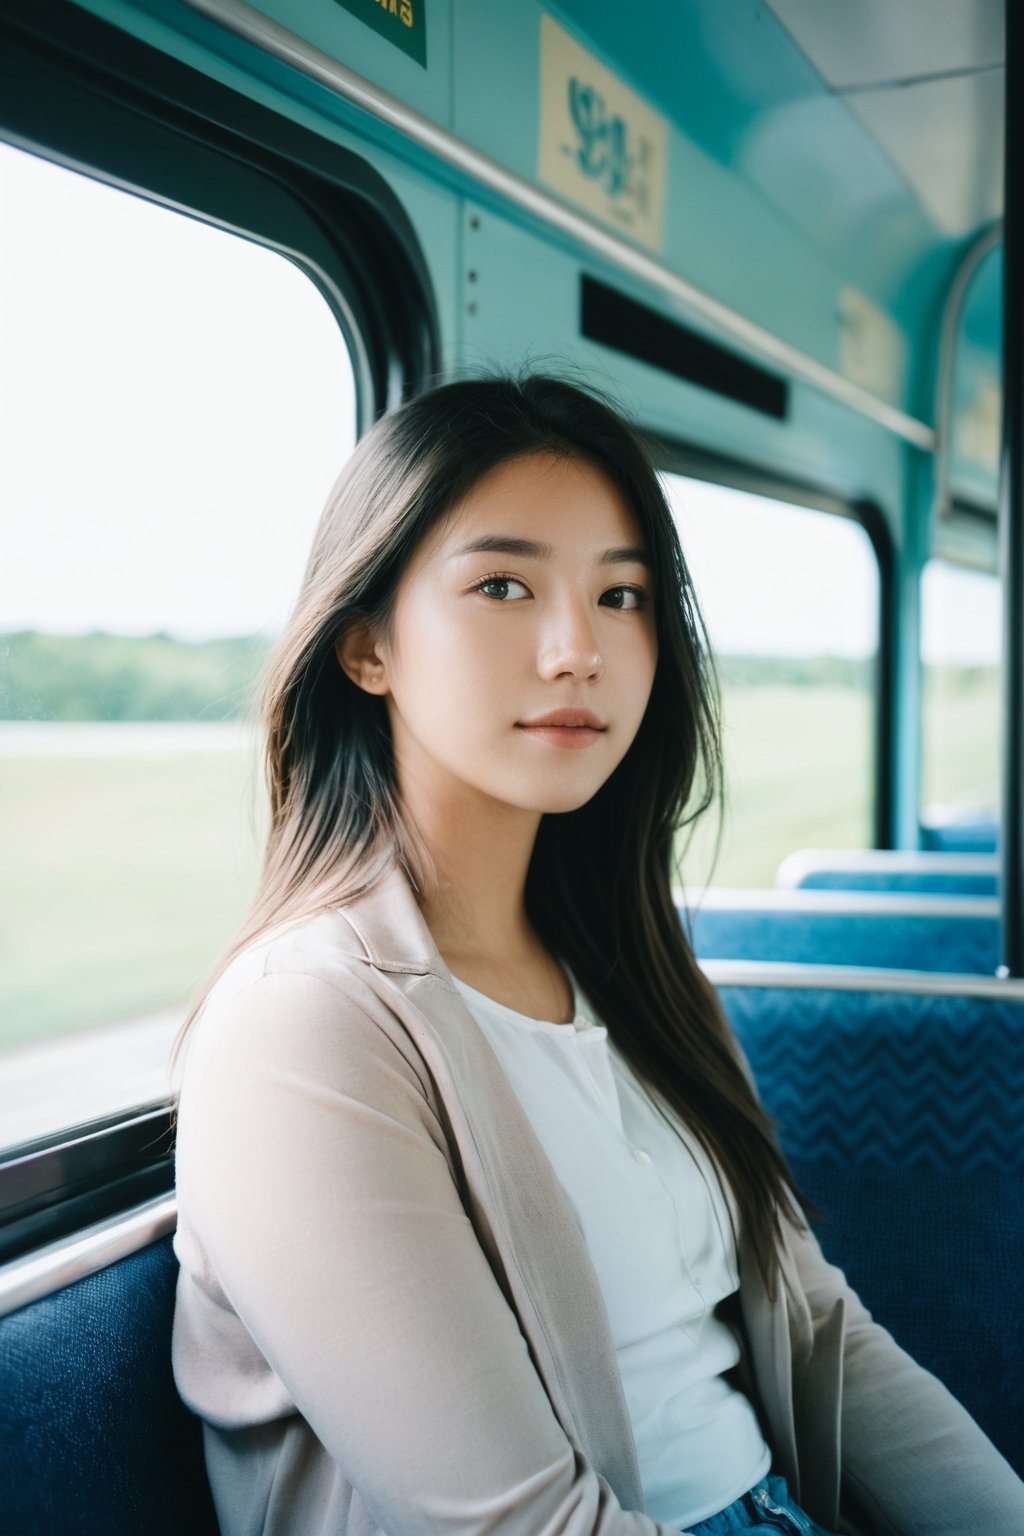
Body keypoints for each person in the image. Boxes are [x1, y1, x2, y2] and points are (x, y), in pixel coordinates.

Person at [171, 373, 1024, 1536]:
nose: (579, 649)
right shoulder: (304, 1028)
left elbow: (820, 1331)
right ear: (366, 645)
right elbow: (516, 1526)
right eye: (504, 586)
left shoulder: (633, 968)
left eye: (622, 596)